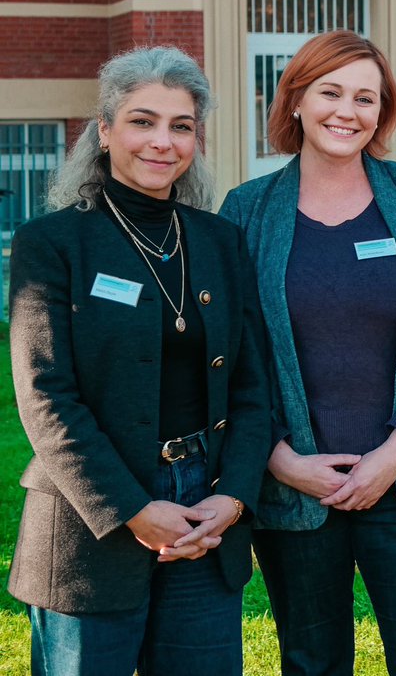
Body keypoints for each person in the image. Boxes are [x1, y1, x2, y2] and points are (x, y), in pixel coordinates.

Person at [219, 29, 396, 676]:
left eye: (366, 98)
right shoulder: (246, 211)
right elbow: (231, 359)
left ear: (382, 111)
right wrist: (282, 460)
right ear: (296, 101)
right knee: (312, 664)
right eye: (331, 91)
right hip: (296, 495)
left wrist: (393, 455)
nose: (348, 110)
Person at [7, 46, 270, 676]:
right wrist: (131, 508)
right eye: (142, 121)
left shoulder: (218, 240)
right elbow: (45, 397)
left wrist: (232, 498)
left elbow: (253, 389)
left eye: (181, 126)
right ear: (104, 130)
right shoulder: (53, 243)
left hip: (204, 517)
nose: (163, 142)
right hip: (89, 522)